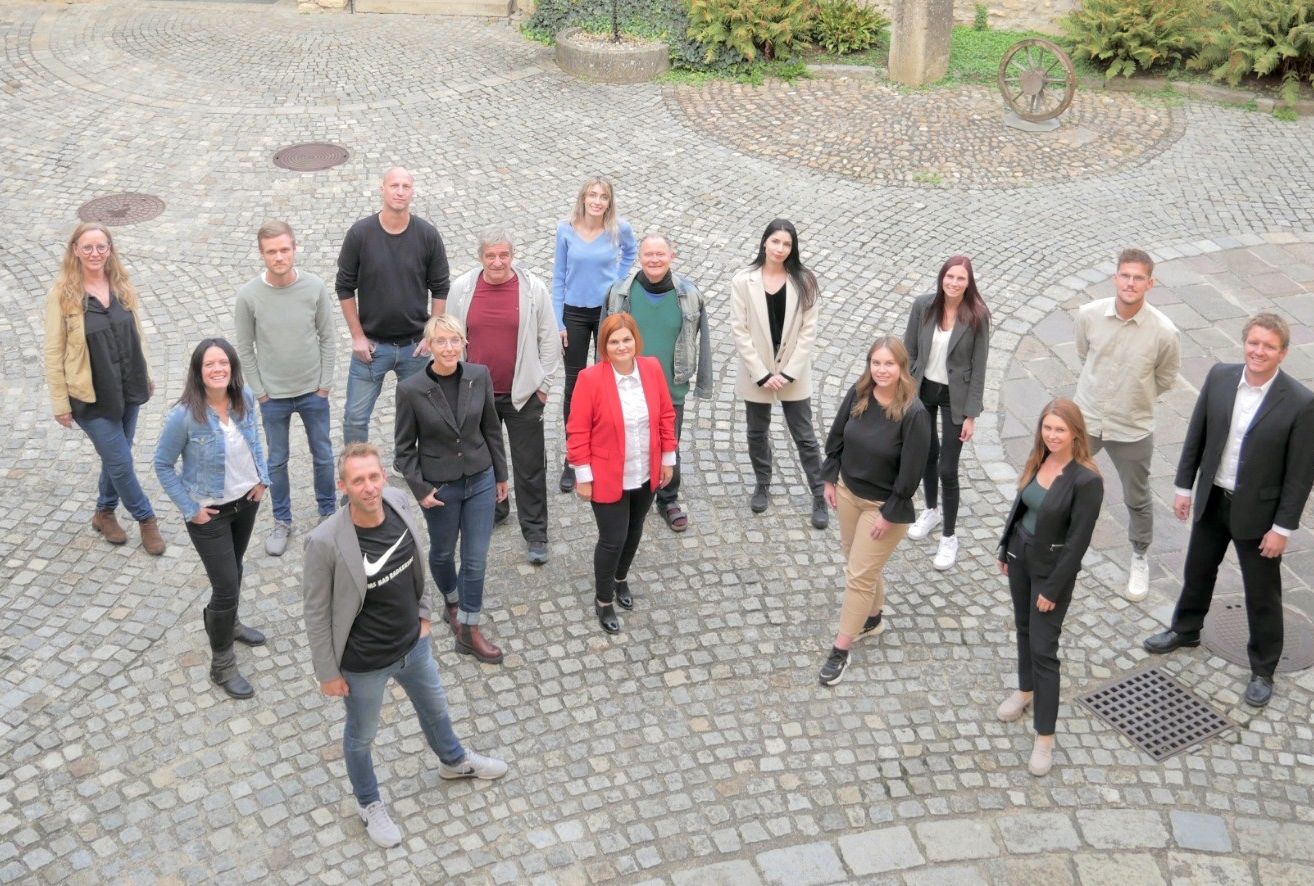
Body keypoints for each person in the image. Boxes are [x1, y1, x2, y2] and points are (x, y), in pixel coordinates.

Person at [303, 443, 507, 849]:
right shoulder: (325, 541)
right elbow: (315, 613)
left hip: (413, 646)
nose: (368, 487)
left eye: (373, 476)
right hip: (363, 664)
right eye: (358, 480)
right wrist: (327, 672)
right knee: (361, 736)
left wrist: (426, 614)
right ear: (343, 486)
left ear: (384, 477)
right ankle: (368, 802)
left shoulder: (398, 501)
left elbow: (418, 560)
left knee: (436, 709)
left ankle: (454, 762)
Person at [1144, 313, 1314, 708]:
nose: (1259, 351)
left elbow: (1300, 475)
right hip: (1213, 496)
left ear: (1283, 353)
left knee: (1262, 593)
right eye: (1253, 342)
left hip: (1259, 514)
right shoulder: (1220, 377)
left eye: (1269, 346)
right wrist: (1184, 487)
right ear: (1244, 343)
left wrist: (1282, 528)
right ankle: (1185, 630)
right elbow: (1196, 435)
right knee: (1197, 569)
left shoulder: (1302, 403)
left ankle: (1263, 668)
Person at [154, 339, 271, 700]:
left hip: (244, 503)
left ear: (233, 367)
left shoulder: (244, 399)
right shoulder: (185, 415)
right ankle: (222, 664)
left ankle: (231, 623)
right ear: (198, 372)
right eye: (210, 365)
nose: (218, 369)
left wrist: (262, 478)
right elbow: (162, 464)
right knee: (224, 586)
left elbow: (255, 440)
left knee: (235, 569)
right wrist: (191, 509)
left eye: (223, 362)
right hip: (210, 515)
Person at [42, 222, 165, 555]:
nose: (95, 253)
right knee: (122, 462)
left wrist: (148, 373)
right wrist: (59, 402)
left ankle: (104, 511)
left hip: (128, 386)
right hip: (90, 396)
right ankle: (146, 518)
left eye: (101, 247)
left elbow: (136, 333)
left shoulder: (121, 284)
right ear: (75, 251)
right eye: (87, 247)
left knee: (117, 456)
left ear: (110, 250)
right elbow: (53, 350)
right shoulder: (62, 293)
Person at [996, 399, 1103, 777]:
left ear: (1075, 432)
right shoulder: (1039, 458)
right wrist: (1005, 546)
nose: (1052, 435)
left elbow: (1077, 544)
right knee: (1023, 630)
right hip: (1021, 554)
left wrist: (1052, 589)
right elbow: (1022, 506)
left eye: (1060, 429)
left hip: (1050, 571)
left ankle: (1045, 737)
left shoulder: (1087, 480)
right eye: (1047, 427)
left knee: (1044, 650)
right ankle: (1025, 691)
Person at [395, 315, 509, 664]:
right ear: (428, 345)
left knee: (475, 560)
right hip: (440, 488)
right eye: (441, 341)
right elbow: (403, 450)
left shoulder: (479, 376)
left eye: (454, 341)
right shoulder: (411, 389)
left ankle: (470, 631)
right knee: (443, 554)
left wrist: (501, 475)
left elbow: (491, 428)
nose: (448, 348)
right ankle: (451, 600)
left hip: (480, 479)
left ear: (464, 343)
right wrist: (421, 490)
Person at [817, 337, 931, 686]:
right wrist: (830, 478)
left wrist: (888, 514)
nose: (882, 370)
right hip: (849, 494)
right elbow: (837, 436)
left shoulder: (914, 413)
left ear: (902, 368)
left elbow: (912, 473)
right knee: (858, 562)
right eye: (876, 363)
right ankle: (873, 617)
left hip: (882, 507)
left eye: (889, 364)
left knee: (859, 576)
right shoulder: (860, 393)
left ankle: (841, 649)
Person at [446, 227, 559, 564]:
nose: (497, 262)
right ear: (480, 257)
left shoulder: (532, 289)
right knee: (482, 461)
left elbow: (549, 339)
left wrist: (544, 386)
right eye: (490, 256)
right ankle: (497, 507)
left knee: (529, 466)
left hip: (522, 394)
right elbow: (451, 336)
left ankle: (536, 532)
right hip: (476, 395)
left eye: (504, 255)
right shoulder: (463, 289)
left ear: (513, 255)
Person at [1073, 248, 1179, 602]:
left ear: (1151, 283)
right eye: (1125, 275)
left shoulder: (1164, 332)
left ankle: (1139, 555)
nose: (1131, 283)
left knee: (1137, 497)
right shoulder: (1089, 315)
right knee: (1062, 480)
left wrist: (1133, 396)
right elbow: (1085, 354)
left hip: (1132, 426)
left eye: (1138, 278)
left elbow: (1164, 378)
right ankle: (1055, 542)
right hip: (1087, 417)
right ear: (1115, 277)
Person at [567, 313, 676, 634]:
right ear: (604, 346)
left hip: (645, 470)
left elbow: (666, 415)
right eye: (614, 341)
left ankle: (620, 579)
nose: (621, 346)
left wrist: (667, 459)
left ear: (635, 341)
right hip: (606, 475)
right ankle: (603, 600)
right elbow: (577, 431)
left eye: (626, 339)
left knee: (635, 529)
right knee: (613, 539)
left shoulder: (652, 369)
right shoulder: (590, 379)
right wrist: (583, 476)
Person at [233, 220, 337, 557]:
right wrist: (260, 391)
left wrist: (324, 385)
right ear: (262, 254)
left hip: (312, 392)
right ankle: (282, 519)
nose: (279, 257)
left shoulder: (314, 287)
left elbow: (328, 337)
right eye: (272, 252)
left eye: (284, 249)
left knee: (322, 455)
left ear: (294, 248)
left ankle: (328, 514)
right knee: (277, 460)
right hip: (273, 396)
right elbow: (245, 348)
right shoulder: (249, 296)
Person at [603, 232, 712, 532]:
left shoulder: (690, 295)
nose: (654, 260)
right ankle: (625, 492)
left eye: (660, 254)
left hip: (669, 387)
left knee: (669, 444)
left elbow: (700, 343)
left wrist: (702, 383)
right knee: (625, 439)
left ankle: (668, 498)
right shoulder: (619, 293)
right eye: (648, 254)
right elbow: (604, 340)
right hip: (626, 386)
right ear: (639, 257)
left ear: (671, 257)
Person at [337, 167, 450, 446]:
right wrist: (357, 336)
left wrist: (431, 335)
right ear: (382, 190)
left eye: (406, 187)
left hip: (415, 346)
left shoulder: (427, 235)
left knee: (419, 414)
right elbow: (344, 287)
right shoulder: (360, 234)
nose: (400, 192)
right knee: (355, 417)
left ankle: (407, 461)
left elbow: (440, 287)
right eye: (394, 186)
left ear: (412, 192)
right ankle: (355, 472)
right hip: (372, 348)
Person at [730, 219, 828, 530]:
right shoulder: (743, 281)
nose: (780, 249)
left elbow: (808, 333)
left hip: (793, 373)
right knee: (756, 432)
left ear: (792, 248)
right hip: (756, 371)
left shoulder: (805, 281)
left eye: (786, 244)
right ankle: (762, 482)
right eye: (775, 242)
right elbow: (740, 330)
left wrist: (787, 372)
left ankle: (818, 493)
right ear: (764, 243)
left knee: (805, 436)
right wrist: (761, 374)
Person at [903, 255, 991, 572]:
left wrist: (971, 415)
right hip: (924, 390)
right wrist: (906, 391)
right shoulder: (923, 306)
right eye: (949, 277)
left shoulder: (977, 316)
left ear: (969, 283)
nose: (954, 283)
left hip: (956, 397)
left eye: (961, 279)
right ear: (942, 278)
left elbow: (979, 369)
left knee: (948, 469)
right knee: (927, 453)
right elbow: (909, 350)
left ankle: (949, 537)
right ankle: (930, 510)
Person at [552, 176, 638, 493]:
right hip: (573, 312)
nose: (597, 201)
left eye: (603, 196)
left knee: (607, 379)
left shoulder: (619, 228)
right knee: (575, 386)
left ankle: (606, 449)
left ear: (609, 201)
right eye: (592, 195)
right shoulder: (566, 229)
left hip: (606, 312)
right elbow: (558, 276)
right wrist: (557, 320)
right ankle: (573, 459)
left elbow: (631, 253)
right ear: (584, 198)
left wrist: (616, 281)